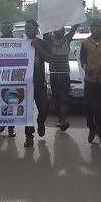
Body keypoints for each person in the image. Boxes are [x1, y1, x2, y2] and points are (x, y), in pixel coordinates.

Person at [46, 23, 80, 131]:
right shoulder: (50, 40)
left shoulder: (67, 39)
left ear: (64, 31)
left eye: (60, 29)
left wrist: (79, 10)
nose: (57, 31)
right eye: (55, 29)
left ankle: (63, 120)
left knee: (64, 98)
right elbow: (44, 27)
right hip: (54, 74)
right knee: (56, 99)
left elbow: (74, 28)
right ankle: (60, 119)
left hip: (64, 73)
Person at [24, 20, 51, 148]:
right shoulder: (21, 45)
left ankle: (41, 122)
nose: (28, 30)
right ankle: (29, 137)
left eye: (30, 28)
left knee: (44, 108)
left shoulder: (42, 43)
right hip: (25, 84)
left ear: (36, 29)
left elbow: (49, 59)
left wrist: (38, 47)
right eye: (26, 28)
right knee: (27, 112)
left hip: (39, 82)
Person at [0, 21, 17, 137]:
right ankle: (2, 122)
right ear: (1, 30)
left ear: (11, 29)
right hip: (0, 76)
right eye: (4, 28)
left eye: (8, 28)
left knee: (12, 101)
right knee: (0, 101)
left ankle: (11, 127)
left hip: (14, 76)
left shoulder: (17, 42)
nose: (6, 30)